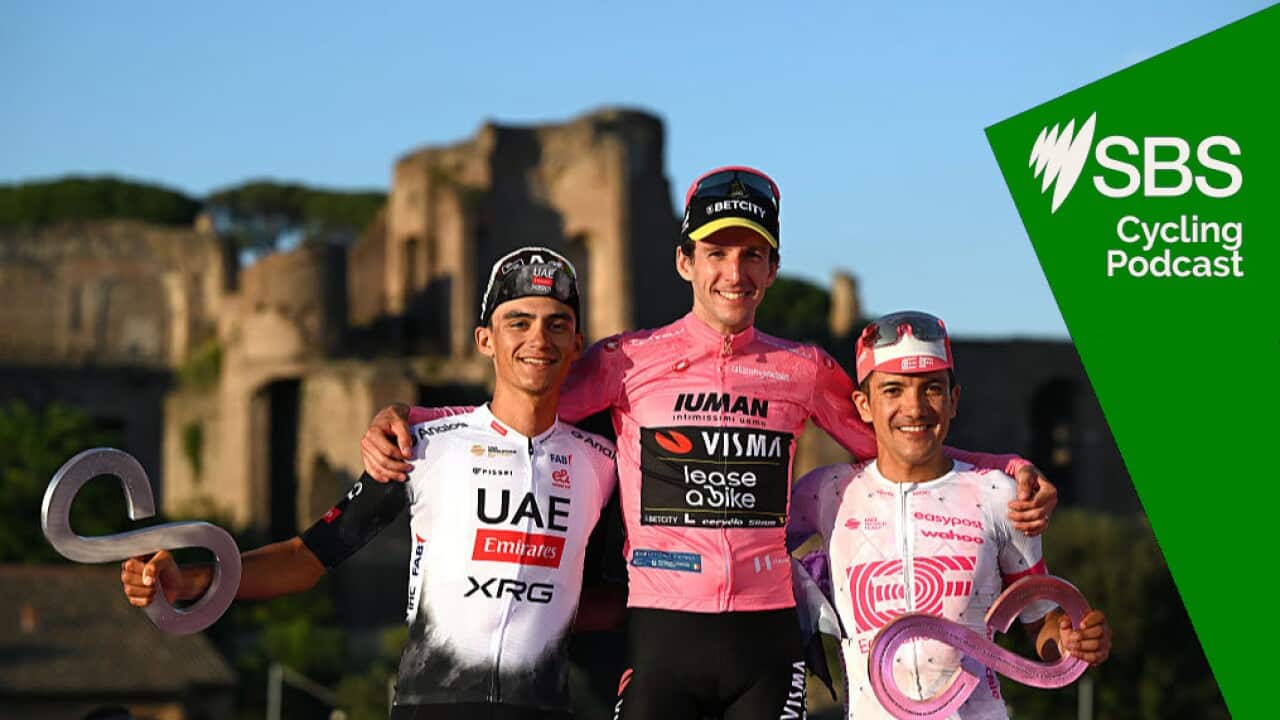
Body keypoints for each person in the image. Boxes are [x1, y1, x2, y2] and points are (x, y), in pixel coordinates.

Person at [358, 167, 1060, 720]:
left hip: (768, 643)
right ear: (685, 261)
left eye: (753, 255)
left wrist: (1004, 469)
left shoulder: (803, 369)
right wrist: (415, 417)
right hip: (663, 635)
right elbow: (518, 409)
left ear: (773, 269)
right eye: (717, 252)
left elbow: (899, 450)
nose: (735, 271)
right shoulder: (627, 360)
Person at [120, 248, 621, 720]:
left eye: (558, 325)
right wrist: (190, 581)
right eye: (519, 321)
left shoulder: (603, 461)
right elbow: (307, 556)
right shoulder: (422, 445)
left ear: (577, 343)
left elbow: (625, 595)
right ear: (485, 339)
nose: (539, 339)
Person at [788, 311, 1111, 719]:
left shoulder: (1000, 494)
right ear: (864, 405)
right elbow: (747, 547)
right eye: (893, 390)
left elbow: (1040, 623)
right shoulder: (825, 492)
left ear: (954, 400)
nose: (915, 408)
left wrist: (1072, 643)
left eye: (932, 389)